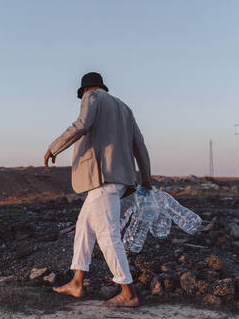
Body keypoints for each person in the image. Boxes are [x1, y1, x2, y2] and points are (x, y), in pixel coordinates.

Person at [44, 72, 151, 307]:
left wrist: (54, 147)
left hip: (103, 178)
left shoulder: (92, 97)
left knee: (108, 235)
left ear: (85, 90)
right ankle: (77, 283)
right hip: (119, 179)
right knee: (84, 226)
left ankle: (128, 292)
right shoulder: (125, 109)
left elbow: (82, 124)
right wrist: (146, 179)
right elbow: (139, 145)